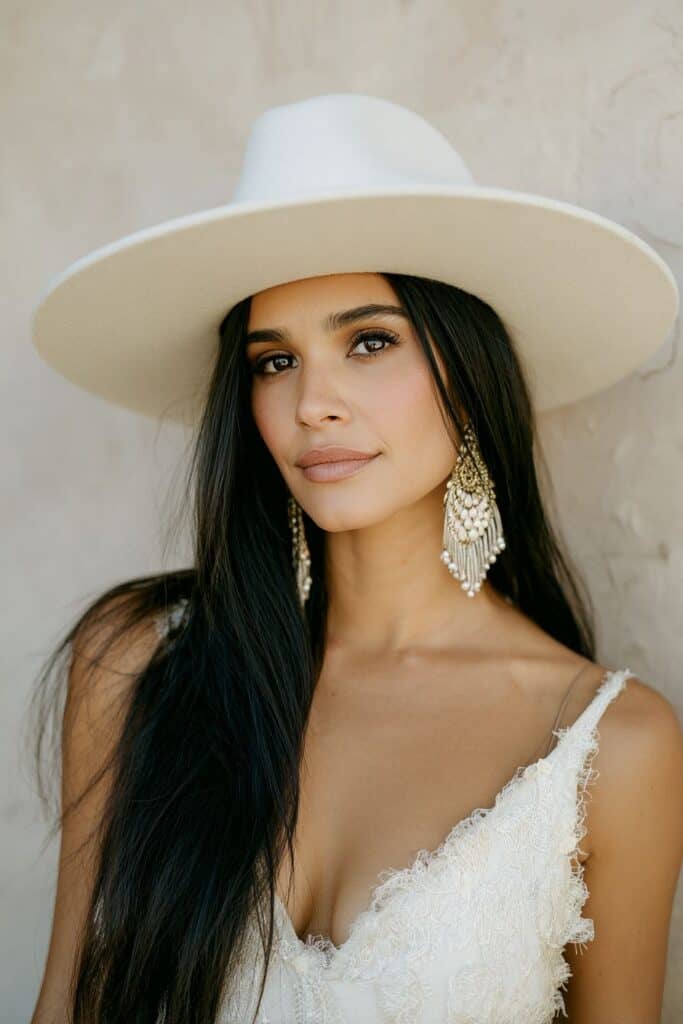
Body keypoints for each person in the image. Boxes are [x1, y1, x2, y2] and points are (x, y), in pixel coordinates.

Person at [27, 95, 682, 1024]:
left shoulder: (610, 746)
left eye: (368, 342)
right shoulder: (139, 659)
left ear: (466, 372)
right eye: (272, 361)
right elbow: (67, 1004)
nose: (311, 404)